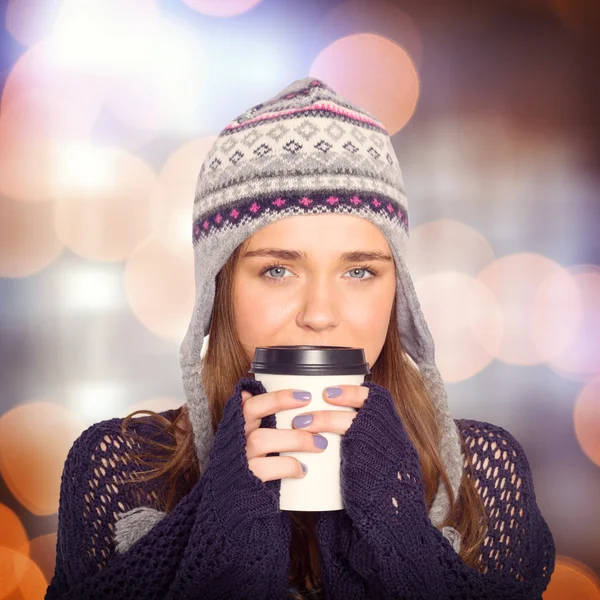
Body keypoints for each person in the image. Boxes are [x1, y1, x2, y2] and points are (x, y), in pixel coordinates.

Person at [45, 77, 556, 599]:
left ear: (398, 295)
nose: (319, 315)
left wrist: (398, 539)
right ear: (219, 291)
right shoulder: (121, 471)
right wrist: (220, 540)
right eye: (277, 271)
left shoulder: (483, 476)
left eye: (359, 272)